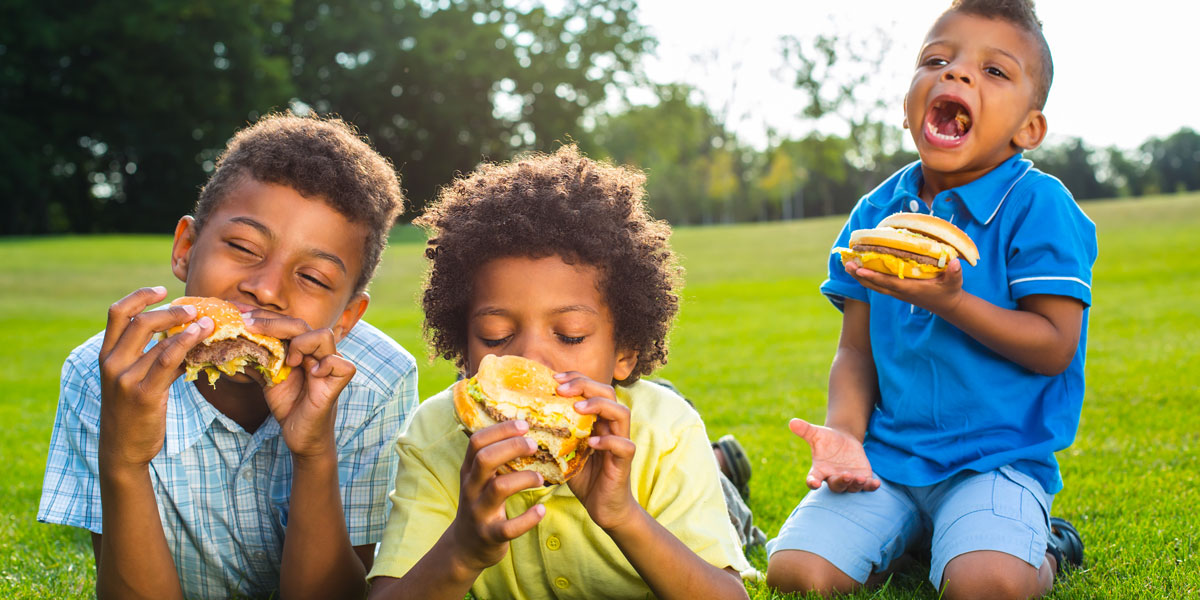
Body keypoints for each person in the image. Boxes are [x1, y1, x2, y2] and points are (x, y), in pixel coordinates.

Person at [765, 1, 1095, 598]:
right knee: (797, 575)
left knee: (984, 584)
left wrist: (952, 300)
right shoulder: (875, 214)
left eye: (995, 71)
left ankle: (1045, 542)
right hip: (889, 460)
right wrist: (845, 436)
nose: (957, 74)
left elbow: (1053, 348)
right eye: (936, 60)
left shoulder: (1039, 206)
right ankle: (921, 532)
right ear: (909, 102)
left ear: (1029, 128)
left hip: (997, 460)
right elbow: (856, 353)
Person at [37, 113, 417, 600]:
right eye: (242, 247)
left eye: (314, 278)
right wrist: (125, 459)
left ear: (345, 319)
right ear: (185, 248)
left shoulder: (378, 379)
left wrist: (314, 452)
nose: (264, 288)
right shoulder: (110, 373)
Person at [367, 146, 754, 600]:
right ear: (465, 351)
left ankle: (723, 470)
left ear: (624, 353)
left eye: (570, 336)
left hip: (660, 453)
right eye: (495, 337)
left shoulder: (665, 431)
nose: (531, 361)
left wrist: (623, 513)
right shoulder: (434, 437)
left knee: (731, 518)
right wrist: (464, 549)